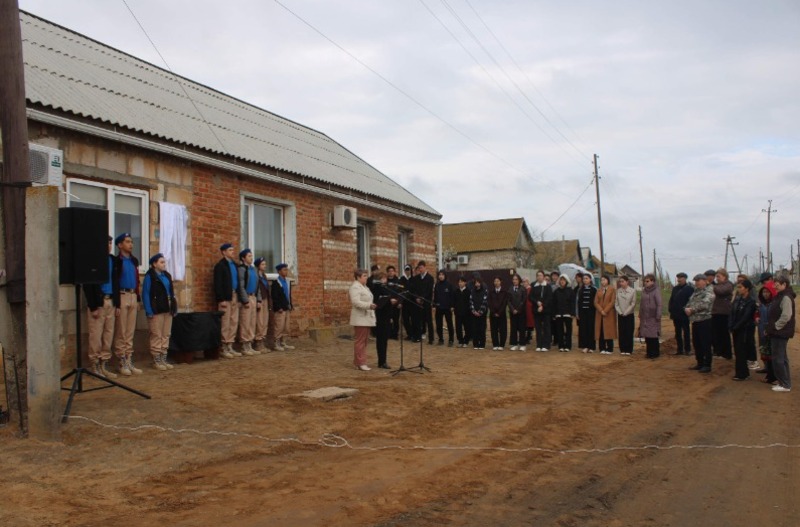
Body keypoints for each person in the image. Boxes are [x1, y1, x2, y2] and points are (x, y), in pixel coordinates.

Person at [83, 236, 118, 378]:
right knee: (96, 335)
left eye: (110, 243)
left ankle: (104, 364)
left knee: (108, 334)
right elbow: (88, 284)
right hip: (99, 302)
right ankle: (94, 364)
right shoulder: (93, 261)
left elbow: (116, 282)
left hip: (111, 301)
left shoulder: (113, 260)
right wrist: (93, 306)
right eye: (106, 242)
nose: (109, 245)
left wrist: (118, 303)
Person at [112, 232, 142, 375]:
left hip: (132, 294)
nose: (131, 244)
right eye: (127, 241)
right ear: (120, 245)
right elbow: (115, 282)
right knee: (121, 331)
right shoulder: (117, 261)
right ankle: (121, 360)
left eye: (131, 241)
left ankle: (129, 358)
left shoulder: (134, 261)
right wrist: (116, 303)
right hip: (122, 295)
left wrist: (138, 298)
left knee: (130, 331)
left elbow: (137, 280)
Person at [142, 253, 177, 371]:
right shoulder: (150, 276)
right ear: (154, 264)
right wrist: (149, 310)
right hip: (156, 309)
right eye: (161, 262)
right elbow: (146, 293)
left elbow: (171, 293)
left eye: (164, 262)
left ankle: (163, 357)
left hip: (167, 308)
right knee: (156, 334)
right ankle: (156, 359)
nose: (164, 264)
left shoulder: (167, 275)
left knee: (166, 334)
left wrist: (174, 307)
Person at [765, 276, 795, 392]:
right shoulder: (780, 296)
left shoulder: (786, 297)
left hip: (780, 332)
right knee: (783, 358)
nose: (775, 285)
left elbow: (786, 316)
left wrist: (775, 327)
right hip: (779, 331)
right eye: (775, 283)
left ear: (784, 285)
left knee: (778, 358)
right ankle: (785, 382)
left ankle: (785, 384)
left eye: (778, 283)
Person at [213, 242, 241, 359]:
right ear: (224, 252)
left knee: (234, 321)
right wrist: (221, 299)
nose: (232, 252)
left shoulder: (234, 265)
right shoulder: (220, 266)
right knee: (225, 322)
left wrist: (239, 296)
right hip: (225, 297)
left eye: (232, 250)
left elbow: (238, 281)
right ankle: (224, 347)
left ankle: (230, 345)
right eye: (230, 250)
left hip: (234, 295)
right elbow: (217, 284)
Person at [685, 274, 715, 373]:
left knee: (705, 343)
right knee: (697, 343)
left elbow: (705, 304)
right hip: (696, 320)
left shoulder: (709, 291)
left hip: (705, 320)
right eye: (696, 281)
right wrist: (686, 308)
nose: (696, 283)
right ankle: (700, 362)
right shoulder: (696, 292)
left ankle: (707, 364)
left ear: (705, 281)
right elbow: (690, 301)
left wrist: (692, 310)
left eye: (698, 280)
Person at [729, 279, 756, 381]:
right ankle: (740, 372)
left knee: (742, 351)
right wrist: (731, 325)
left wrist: (736, 326)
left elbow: (746, 317)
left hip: (744, 329)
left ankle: (743, 374)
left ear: (747, 288)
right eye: (738, 287)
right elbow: (732, 313)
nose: (738, 289)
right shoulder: (737, 300)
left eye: (740, 287)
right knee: (737, 350)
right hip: (736, 329)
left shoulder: (751, 301)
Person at [349, 268, 376, 371]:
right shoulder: (355, 287)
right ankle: (361, 363)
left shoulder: (365, 287)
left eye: (366, 275)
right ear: (358, 277)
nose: (366, 277)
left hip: (366, 317)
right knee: (360, 341)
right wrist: (369, 305)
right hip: (360, 318)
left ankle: (358, 362)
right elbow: (355, 302)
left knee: (364, 341)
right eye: (364, 276)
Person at [370, 272, 398, 368]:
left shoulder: (385, 287)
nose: (385, 280)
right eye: (383, 278)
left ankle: (383, 360)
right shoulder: (376, 288)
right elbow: (377, 301)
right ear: (379, 279)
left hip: (386, 316)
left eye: (385, 278)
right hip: (380, 317)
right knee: (381, 340)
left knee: (385, 340)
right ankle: (381, 362)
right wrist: (388, 301)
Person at [236, 249, 260, 356]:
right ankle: (244, 345)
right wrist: (245, 300)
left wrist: (258, 299)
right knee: (245, 321)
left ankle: (250, 343)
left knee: (252, 321)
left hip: (254, 297)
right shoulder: (241, 269)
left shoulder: (254, 269)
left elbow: (257, 285)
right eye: (249, 256)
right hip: (247, 297)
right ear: (243, 258)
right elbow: (241, 285)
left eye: (251, 256)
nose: (251, 257)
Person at [270, 263, 294, 351]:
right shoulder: (276, 283)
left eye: (286, 269)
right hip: (280, 309)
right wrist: (278, 307)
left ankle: (283, 342)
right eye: (284, 270)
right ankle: (276, 343)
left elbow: (288, 294)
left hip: (286, 307)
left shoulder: (287, 281)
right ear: (279, 271)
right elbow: (274, 297)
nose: (286, 271)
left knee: (286, 327)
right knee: (279, 326)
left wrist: (290, 304)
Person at [668, 272, 694, 355]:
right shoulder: (675, 288)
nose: (679, 279)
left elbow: (691, 301)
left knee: (686, 332)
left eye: (681, 277)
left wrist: (688, 310)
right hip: (676, 314)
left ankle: (687, 350)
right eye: (678, 277)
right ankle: (679, 349)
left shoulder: (689, 289)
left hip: (684, 314)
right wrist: (671, 309)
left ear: (685, 278)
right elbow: (672, 299)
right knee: (677, 333)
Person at [409, 261, 435, 344]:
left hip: (426, 302)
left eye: (421, 268)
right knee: (418, 320)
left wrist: (422, 298)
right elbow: (414, 289)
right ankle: (418, 336)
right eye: (419, 268)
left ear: (425, 267)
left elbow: (429, 290)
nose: (420, 269)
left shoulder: (430, 278)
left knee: (428, 320)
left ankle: (431, 338)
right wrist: (416, 298)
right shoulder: (416, 278)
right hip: (418, 302)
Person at [711, 268, 733, 359]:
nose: (717, 278)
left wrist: (712, 287)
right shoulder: (718, 285)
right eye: (716, 277)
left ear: (724, 276)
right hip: (716, 312)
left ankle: (727, 354)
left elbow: (721, 291)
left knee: (724, 334)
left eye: (718, 276)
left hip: (724, 313)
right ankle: (719, 352)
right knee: (717, 334)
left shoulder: (728, 285)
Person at [638, 273, 662, 359]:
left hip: (653, 316)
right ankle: (649, 352)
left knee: (653, 336)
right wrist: (640, 313)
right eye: (645, 281)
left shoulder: (656, 290)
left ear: (653, 281)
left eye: (647, 281)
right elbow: (641, 303)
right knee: (647, 336)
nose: (646, 283)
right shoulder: (644, 291)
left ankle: (655, 353)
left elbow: (659, 304)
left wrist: (658, 315)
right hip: (645, 317)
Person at [756, 285, 776, 383]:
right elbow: (757, 313)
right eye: (764, 292)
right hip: (761, 329)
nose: (765, 294)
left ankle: (772, 375)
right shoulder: (761, 304)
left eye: (767, 292)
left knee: (771, 353)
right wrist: (756, 318)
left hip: (771, 330)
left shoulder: (774, 304)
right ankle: (768, 370)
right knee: (764, 351)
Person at [530, 270, 553, 351]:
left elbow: (550, 298)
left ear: (543, 276)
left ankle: (546, 345)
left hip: (546, 310)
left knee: (546, 327)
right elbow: (531, 297)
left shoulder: (547, 286)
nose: (539, 277)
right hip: (536, 310)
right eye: (538, 275)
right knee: (538, 328)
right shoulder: (534, 285)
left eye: (540, 275)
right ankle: (539, 344)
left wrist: (543, 305)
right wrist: (537, 302)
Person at [594, 275, 617, 354]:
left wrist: (605, 310)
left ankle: (609, 348)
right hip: (600, 314)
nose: (602, 281)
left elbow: (612, 301)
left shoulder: (612, 289)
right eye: (601, 280)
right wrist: (601, 310)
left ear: (608, 280)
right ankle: (602, 348)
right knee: (601, 330)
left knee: (608, 330)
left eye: (604, 280)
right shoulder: (599, 290)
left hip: (609, 313)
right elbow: (595, 302)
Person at [552, 275, 575, 352]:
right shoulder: (556, 291)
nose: (562, 282)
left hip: (568, 314)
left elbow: (573, 303)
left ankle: (568, 346)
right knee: (559, 330)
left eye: (564, 280)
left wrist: (572, 313)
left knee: (568, 330)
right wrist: (554, 314)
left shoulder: (570, 291)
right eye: (561, 280)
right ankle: (561, 345)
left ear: (566, 281)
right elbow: (554, 303)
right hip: (558, 314)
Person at [615, 276, 636, 356]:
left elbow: (633, 303)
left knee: (629, 332)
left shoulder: (632, 291)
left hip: (629, 315)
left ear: (627, 282)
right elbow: (616, 304)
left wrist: (626, 312)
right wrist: (620, 312)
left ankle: (629, 349)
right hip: (620, 315)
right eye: (620, 282)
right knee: (622, 332)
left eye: (623, 281)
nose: (621, 283)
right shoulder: (618, 291)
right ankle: (622, 349)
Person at [576, 273, 597, 353]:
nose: (585, 280)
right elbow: (577, 302)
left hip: (591, 313)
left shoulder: (594, 289)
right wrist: (577, 313)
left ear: (590, 280)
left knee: (591, 329)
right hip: (582, 313)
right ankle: (584, 346)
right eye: (584, 279)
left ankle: (591, 346)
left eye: (587, 278)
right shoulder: (580, 290)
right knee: (583, 329)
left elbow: (596, 302)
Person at [433, 270, 455, 346]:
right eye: (439, 275)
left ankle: (451, 340)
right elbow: (435, 296)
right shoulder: (437, 285)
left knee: (449, 324)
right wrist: (434, 305)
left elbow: (452, 296)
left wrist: (452, 306)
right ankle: (440, 339)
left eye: (442, 274)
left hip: (447, 308)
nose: (441, 276)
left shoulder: (449, 285)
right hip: (439, 307)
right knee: (438, 324)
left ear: (445, 276)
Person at [254, 257, 271, 352]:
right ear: (258, 266)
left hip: (265, 299)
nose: (265, 266)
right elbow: (257, 289)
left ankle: (263, 340)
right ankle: (258, 342)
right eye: (263, 264)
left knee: (265, 321)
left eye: (265, 264)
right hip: (259, 300)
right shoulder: (256, 275)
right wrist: (258, 300)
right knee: (259, 321)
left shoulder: (264, 276)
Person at [488, 276, 509, 350]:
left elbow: (504, 303)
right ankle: (495, 344)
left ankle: (501, 345)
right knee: (494, 330)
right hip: (493, 314)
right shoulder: (491, 292)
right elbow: (489, 303)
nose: (496, 282)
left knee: (503, 329)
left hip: (502, 314)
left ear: (501, 282)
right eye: (495, 281)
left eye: (497, 281)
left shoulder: (505, 292)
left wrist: (499, 312)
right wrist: (494, 312)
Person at [508, 274, 527, 351]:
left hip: (521, 312)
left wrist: (518, 309)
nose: (514, 281)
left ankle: (522, 344)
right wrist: (513, 309)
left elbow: (524, 300)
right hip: (513, 312)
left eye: (516, 279)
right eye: (513, 279)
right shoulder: (510, 289)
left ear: (519, 280)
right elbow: (508, 301)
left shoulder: (523, 289)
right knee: (514, 328)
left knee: (522, 328)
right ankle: (514, 344)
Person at [470, 275, 489, 349]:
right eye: (475, 282)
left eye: (478, 282)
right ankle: (475, 344)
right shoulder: (472, 291)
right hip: (474, 314)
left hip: (482, 314)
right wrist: (474, 311)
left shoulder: (485, 291)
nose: (477, 284)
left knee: (482, 328)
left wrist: (480, 312)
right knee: (475, 329)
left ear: (481, 283)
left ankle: (482, 344)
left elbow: (485, 302)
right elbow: (471, 302)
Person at [454, 276, 472, 348]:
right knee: (458, 327)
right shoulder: (456, 291)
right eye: (459, 282)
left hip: (466, 313)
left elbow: (470, 302)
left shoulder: (468, 292)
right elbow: (454, 301)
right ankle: (460, 341)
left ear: (465, 283)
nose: (460, 283)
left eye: (461, 282)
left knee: (467, 327)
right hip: (458, 313)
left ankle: (466, 341)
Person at [399, 264, 414, 339]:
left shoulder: (413, 279)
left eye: (409, 270)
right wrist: (400, 302)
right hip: (404, 302)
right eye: (406, 270)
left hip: (412, 302)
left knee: (413, 319)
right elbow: (400, 291)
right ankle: (409, 334)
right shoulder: (401, 279)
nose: (407, 271)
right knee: (405, 319)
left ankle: (414, 333)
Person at [386, 265, 401, 339]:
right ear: (387, 273)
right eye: (389, 271)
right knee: (388, 319)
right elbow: (384, 292)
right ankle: (389, 333)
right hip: (388, 303)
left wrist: (398, 302)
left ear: (394, 272)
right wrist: (389, 299)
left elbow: (400, 293)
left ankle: (395, 334)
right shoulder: (385, 281)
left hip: (396, 303)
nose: (391, 272)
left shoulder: (398, 281)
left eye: (392, 271)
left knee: (396, 320)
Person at [523, 277, 534, 345]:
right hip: (524, 308)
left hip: (530, 308)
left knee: (530, 323)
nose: (524, 283)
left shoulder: (531, 289)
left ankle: (529, 337)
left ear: (528, 282)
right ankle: (525, 336)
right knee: (524, 323)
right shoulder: (523, 289)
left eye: (525, 281)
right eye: (523, 282)